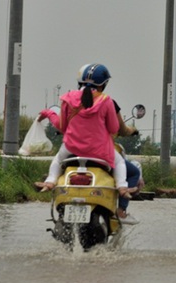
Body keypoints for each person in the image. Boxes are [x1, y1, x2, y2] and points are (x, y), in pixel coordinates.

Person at [35, 64, 133, 200]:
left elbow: (61, 127)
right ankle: (122, 187)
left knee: (57, 160)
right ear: (103, 84)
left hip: (71, 148)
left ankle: (50, 182)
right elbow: (114, 129)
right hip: (100, 150)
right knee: (120, 163)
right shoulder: (106, 101)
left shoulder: (67, 99)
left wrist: (49, 113)